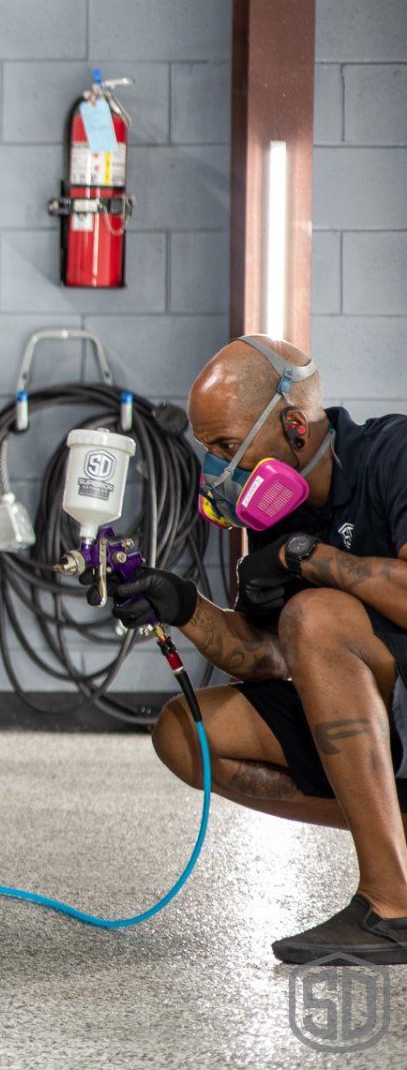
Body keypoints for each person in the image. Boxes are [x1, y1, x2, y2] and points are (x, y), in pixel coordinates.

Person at [111, 335, 407, 964]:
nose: (221, 471)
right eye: (210, 452)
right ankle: (395, 834)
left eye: (227, 448)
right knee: (185, 733)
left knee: (316, 613)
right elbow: (269, 658)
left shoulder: (394, 454)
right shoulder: (273, 518)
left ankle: (393, 905)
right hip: (373, 725)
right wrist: (185, 607)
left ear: (294, 428)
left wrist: (316, 560)